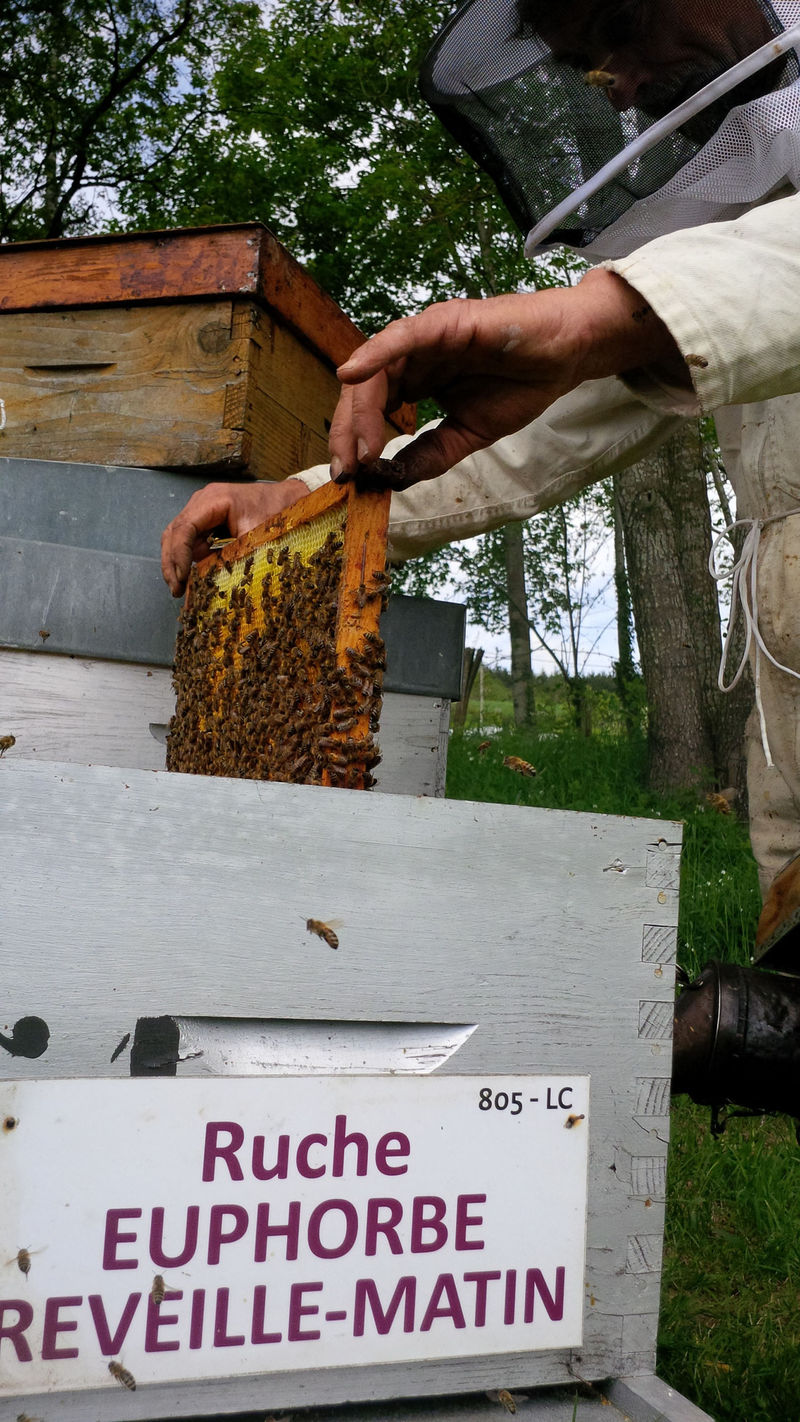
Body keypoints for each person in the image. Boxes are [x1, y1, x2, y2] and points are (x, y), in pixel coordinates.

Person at [161, 0, 800, 1122]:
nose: (605, 81)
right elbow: (549, 418)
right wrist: (305, 503)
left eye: (616, 27)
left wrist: (599, 314)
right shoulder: (726, 209)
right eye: (575, 61)